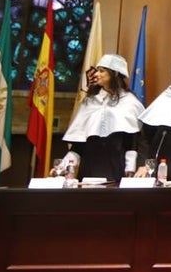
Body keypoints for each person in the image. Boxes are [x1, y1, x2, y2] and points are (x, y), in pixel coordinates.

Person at [60, 53, 144, 181]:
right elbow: (79, 143)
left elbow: (133, 142)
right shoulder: (89, 101)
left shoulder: (130, 102)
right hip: (90, 165)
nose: (96, 74)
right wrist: (62, 166)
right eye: (97, 70)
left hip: (117, 166)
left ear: (115, 73)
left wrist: (130, 169)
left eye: (102, 71)